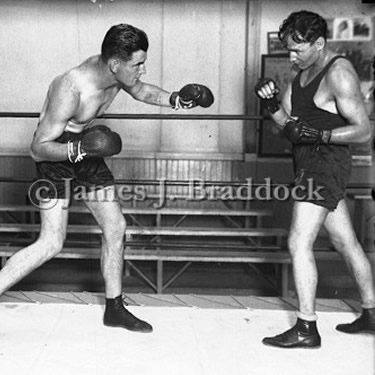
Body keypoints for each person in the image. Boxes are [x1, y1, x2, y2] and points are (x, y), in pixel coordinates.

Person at [0, 24, 214, 333]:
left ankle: (114, 308)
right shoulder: (71, 88)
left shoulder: (115, 74)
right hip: (57, 156)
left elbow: (141, 90)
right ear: (116, 64)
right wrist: (79, 148)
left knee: (116, 226)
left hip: (85, 148)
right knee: (51, 242)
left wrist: (176, 100)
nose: (143, 69)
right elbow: (38, 149)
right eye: (138, 64)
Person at [255, 10, 375, 348]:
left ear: (319, 43)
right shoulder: (302, 75)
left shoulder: (339, 73)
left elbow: (364, 130)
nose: (291, 56)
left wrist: (320, 135)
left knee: (298, 241)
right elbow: (288, 126)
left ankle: (307, 327)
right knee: (345, 242)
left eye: (298, 49)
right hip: (308, 163)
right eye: (289, 50)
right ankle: (372, 313)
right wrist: (270, 104)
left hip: (326, 164)